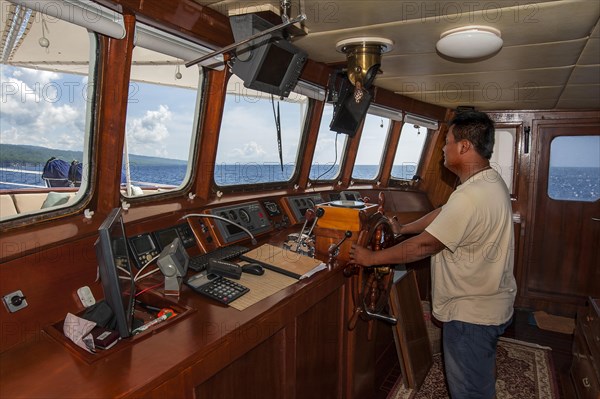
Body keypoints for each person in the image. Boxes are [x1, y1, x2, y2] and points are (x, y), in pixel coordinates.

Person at [349, 110, 517, 399]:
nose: (443, 147)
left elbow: (426, 246)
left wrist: (371, 258)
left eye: (448, 141)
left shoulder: (470, 196)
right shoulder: (487, 181)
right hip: (492, 301)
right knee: (480, 377)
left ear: (464, 147)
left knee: (470, 391)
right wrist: (404, 228)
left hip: (471, 315)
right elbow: (445, 212)